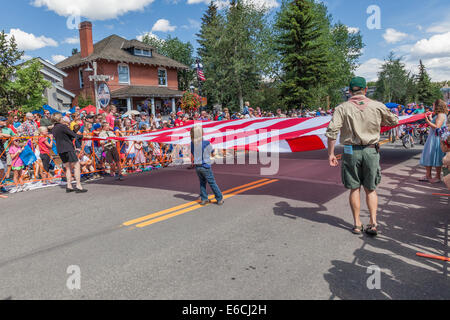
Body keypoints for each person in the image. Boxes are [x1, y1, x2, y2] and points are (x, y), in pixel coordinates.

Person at [326, 76, 399, 236]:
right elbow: (394, 121)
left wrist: (331, 153)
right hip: (371, 150)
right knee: (370, 189)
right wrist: (378, 121)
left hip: (350, 150)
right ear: (365, 89)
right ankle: (373, 223)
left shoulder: (342, 108)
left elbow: (332, 132)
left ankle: (357, 224)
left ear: (349, 91)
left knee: (354, 188)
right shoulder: (377, 106)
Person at [51, 113, 87, 193]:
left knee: (67, 167)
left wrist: (73, 131)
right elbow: (74, 135)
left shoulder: (54, 128)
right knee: (76, 165)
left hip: (60, 149)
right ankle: (78, 185)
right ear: (60, 119)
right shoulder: (62, 126)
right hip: (68, 148)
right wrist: (83, 136)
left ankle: (69, 185)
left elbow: (67, 136)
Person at [190, 124, 224, 206]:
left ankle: (204, 198)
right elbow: (212, 154)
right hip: (205, 166)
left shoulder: (192, 143)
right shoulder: (206, 143)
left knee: (202, 183)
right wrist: (214, 150)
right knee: (212, 182)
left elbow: (192, 153)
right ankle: (219, 198)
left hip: (197, 166)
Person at [419, 99, 448, 183]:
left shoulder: (441, 115)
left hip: (436, 139)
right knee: (429, 156)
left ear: (438, 106)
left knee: (435, 157)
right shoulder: (440, 114)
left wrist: (427, 121)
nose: (433, 107)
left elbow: (437, 126)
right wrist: (431, 118)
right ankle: (428, 175)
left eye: (434, 105)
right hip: (433, 137)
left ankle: (437, 177)